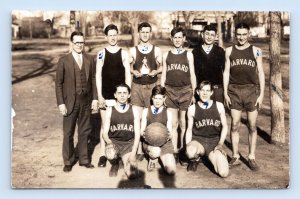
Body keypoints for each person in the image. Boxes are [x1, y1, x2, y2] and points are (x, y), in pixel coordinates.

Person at [223, 22, 265, 171]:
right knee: (235, 124)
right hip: (234, 90)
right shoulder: (228, 51)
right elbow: (226, 72)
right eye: (238, 34)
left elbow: (260, 73)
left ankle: (251, 156)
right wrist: (225, 93)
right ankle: (235, 156)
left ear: (248, 34)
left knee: (252, 126)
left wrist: (261, 95)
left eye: (244, 34)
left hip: (251, 91)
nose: (241, 37)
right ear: (236, 34)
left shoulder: (256, 51)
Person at [55, 31, 98, 172]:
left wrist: (95, 99)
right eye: (77, 42)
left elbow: (93, 79)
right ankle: (68, 161)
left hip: (85, 101)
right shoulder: (63, 60)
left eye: (81, 42)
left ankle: (84, 159)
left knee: (85, 131)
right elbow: (58, 83)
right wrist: (61, 103)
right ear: (71, 43)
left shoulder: (90, 59)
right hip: (69, 103)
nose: (79, 45)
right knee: (68, 133)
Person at [96, 24, 131, 168]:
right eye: (110, 35)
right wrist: (99, 96)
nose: (112, 37)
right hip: (106, 95)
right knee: (105, 125)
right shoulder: (101, 53)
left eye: (114, 34)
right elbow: (98, 75)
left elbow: (128, 74)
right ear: (106, 37)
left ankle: (120, 152)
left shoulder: (124, 53)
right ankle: (103, 155)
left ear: (118, 35)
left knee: (118, 124)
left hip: (121, 95)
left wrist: (127, 94)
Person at [129, 22, 162, 159]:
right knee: (137, 119)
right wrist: (133, 71)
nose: (145, 34)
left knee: (150, 119)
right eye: (143, 32)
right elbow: (129, 67)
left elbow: (161, 67)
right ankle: (138, 150)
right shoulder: (133, 50)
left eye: (148, 32)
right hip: (137, 86)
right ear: (138, 33)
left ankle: (150, 148)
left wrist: (156, 70)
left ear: (151, 33)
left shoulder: (156, 50)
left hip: (151, 86)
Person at [161, 27, 197, 154]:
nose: (177, 40)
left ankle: (183, 150)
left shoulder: (189, 55)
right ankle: (174, 150)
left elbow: (192, 74)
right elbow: (164, 74)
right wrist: (162, 93)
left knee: (183, 123)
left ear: (184, 39)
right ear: (171, 39)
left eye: (179, 37)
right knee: (173, 123)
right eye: (175, 37)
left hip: (185, 90)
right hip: (170, 91)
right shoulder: (166, 55)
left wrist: (193, 92)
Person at [185, 81, 229, 178]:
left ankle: (209, 158)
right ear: (197, 92)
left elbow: (225, 126)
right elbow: (189, 129)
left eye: (207, 91)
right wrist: (187, 145)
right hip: (198, 141)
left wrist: (221, 144)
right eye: (202, 90)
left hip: (213, 143)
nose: (205, 93)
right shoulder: (192, 109)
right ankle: (195, 159)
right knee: (190, 151)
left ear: (211, 92)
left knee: (223, 173)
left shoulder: (219, 106)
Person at [102, 84, 140, 179]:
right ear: (115, 95)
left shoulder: (134, 110)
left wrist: (133, 153)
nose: (122, 95)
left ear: (129, 95)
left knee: (132, 175)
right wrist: (109, 143)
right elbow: (105, 133)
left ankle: (124, 160)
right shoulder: (110, 110)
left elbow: (137, 134)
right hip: (115, 143)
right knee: (110, 153)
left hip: (128, 144)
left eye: (125, 93)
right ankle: (115, 163)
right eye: (119, 93)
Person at [140, 85, 176, 175]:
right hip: (150, 142)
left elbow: (170, 132)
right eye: (156, 98)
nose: (158, 101)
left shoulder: (168, 112)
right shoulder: (146, 111)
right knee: (155, 151)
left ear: (164, 98)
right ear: (152, 98)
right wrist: (149, 135)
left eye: (160, 99)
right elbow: (141, 131)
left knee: (171, 171)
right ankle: (153, 158)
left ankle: (161, 155)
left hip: (164, 142)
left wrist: (165, 136)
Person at [192, 24, 225, 102]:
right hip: (201, 90)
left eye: (212, 35)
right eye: (207, 34)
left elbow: (225, 71)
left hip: (216, 90)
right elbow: (192, 73)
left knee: (217, 113)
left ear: (215, 37)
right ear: (202, 34)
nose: (209, 37)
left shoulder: (220, 51)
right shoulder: (195, 52)